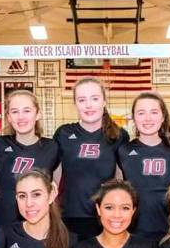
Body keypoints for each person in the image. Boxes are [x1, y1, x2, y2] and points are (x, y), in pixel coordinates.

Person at [54, 77, 128, 239]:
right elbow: (54, 175)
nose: (88, 105)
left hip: (106, 218)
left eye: (94, 99)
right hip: (69, 216)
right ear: (75, 103)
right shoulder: (64, 134)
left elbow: (122, 177)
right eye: (82, 100)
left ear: (104, 101)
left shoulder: (118, 135)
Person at [0, 90, 60, 227]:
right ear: (8, 117)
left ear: (38, 114)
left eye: (26, 111)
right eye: (14, 112)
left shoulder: (51, 147)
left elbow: (57, 183)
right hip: (2, 224)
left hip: (38, 225)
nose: (21, 117)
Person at [117, 92, 170, 241]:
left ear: (163, 116)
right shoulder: (123, 150)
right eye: (141, 113)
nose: (147, 118)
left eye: (154, 112)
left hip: (169, 231)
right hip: (133, 230)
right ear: (133, 117)